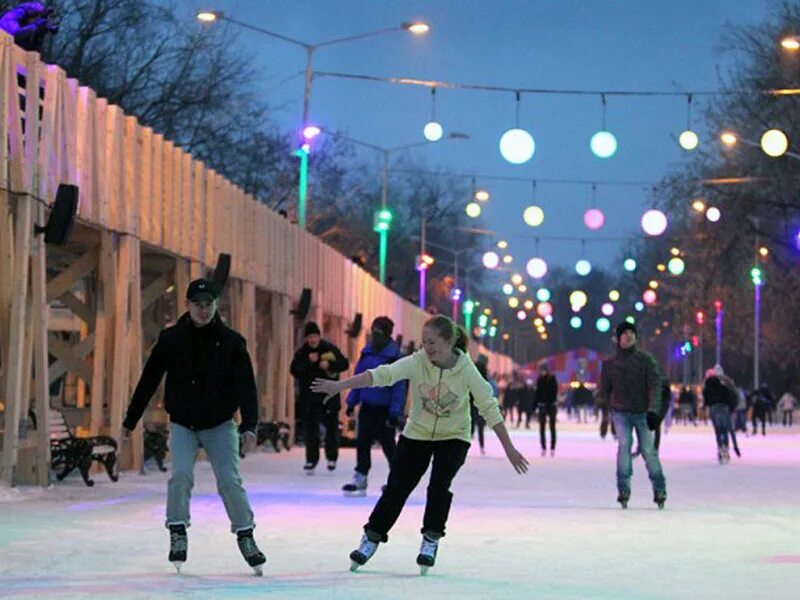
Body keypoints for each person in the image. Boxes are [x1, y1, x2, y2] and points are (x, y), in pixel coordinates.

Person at [311, 315, 528, 575]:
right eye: (425, 342)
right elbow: (383, 375)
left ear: (450, 342)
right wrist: (341, 385)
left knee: (439, 487)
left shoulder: (467, 370)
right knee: (397, 488)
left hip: (454, 436)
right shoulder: (418, 362)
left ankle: (431, 538)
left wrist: (509, 448)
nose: (428, 348)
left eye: (434, 343)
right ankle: (372, 537)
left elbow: (489, 407)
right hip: (417, 433)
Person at [122, 279, 266, 575]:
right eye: (197, 304)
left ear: (216, 306)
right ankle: (177, 528)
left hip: (220, 422)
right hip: (184, 422)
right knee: (180, 475)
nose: (203, 310)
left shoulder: (231, 342)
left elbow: (246, 387)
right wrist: (131, 419)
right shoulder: (171, 339)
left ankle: (245, 534)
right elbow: (149, 379)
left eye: (208, 304)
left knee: (229, 480)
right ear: (187, 305)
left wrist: (249, 424)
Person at [600, 321, 667, 509]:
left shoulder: (646, 360)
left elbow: (655, 385)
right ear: (618, 338)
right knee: (624, 446)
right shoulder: (610, 364)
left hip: (643, 412)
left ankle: (659, 487)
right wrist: (604, 418)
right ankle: (623, 488)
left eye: (632, 333)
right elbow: (604, 392)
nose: (629, 336)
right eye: (625, 333)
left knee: (648, 450)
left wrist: (653, 411)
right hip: (620, 412)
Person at [342, 317, 405, 496]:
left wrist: (395, 412)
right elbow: (359, 377)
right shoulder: (367, 352)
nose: (375, 335)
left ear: (387, 333)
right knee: (362, 442)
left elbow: (399, 386)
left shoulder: (394, 356)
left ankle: (397, 479)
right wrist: (351, 401)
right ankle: (360, 476)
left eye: (379, 332)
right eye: (374, 331)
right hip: (367, 406)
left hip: (384, 409)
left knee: (387, 444)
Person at [290, 321, 349, 474]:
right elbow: (294, 370)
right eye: (310, 337)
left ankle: (331, 457)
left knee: (331, 429)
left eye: (315, 336)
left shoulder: (329, 349)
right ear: (306, 339)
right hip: (309, 399)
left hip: (328, 398)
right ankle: (311, 460)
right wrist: (309, 362)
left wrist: (329, 365)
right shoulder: (302, 353)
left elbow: (344, 364)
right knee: (311, 431)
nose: (312, 340)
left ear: (319, 336)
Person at [702, 369, 737, 464]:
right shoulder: (723, 386)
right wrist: (732, 408)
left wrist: (706, 405)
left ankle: (720, 447)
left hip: (714, 408)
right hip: (725, 408)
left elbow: (706, 398)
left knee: (718, 430)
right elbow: (730, 397)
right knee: (724, 430)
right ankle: (725, 448)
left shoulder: (708, 387)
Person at [535, 363, 558, 457]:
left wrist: (549, 401)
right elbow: (537, 393)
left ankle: (552, 447)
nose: (541, 372)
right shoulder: (539, 380)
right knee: (542, 427)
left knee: (552, 427)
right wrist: (536, 404)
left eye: (542, 370)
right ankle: (543, 447)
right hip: (542, 405)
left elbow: (554, 391)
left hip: (551, 405)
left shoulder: (552, 379)